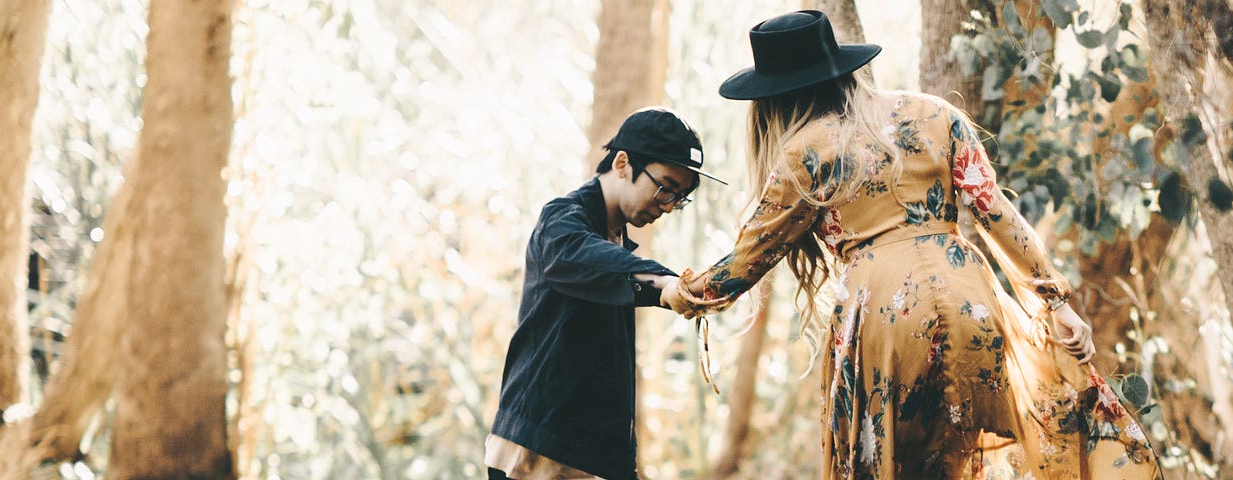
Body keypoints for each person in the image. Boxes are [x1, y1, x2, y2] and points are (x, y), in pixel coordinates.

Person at [661, 11, 1158, 479]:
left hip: (886, 320)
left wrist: (678, 292)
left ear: (774, 97)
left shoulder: (802, 154)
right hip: (972, 298)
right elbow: (997, 215)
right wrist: (1057, 303)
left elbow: (742, 265)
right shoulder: (935, 114)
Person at [488, 107, 726, 480]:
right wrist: (664, 282)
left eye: (679, 197)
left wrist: (671, 290)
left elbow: (622, 278)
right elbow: (583, 258)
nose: (667, 206)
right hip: (539, 451)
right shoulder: (562, 221)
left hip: (590, 452)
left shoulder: (616, 243)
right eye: (664, 187)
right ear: (622, 163)